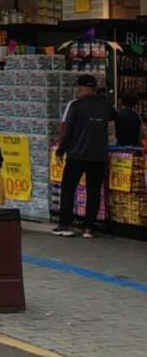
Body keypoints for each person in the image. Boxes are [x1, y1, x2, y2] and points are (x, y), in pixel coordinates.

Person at [53, 75, 116, 238]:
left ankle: (65, 225)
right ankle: (88, 228)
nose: (77, 90)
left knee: (68, 189)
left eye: (78, 87)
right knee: (94, 191)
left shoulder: (75, 105)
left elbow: (67, 132)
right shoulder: (107, 106)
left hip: (76, 155)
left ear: (81, 87)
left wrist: (61, 151)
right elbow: (113, 126)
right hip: (98, 156)